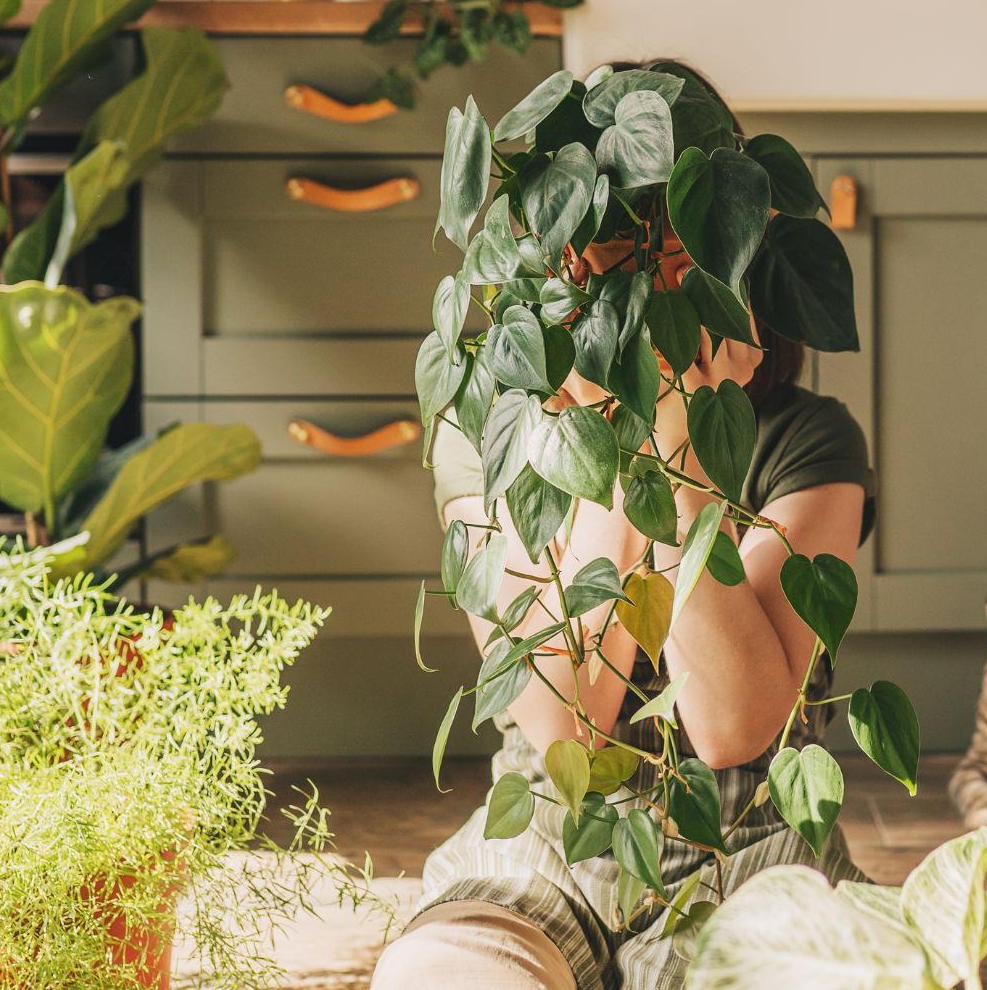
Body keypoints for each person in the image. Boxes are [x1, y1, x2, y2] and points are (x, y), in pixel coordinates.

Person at [371, 68, 876, 990]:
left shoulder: (807, 439)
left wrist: (679, 467)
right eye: (618, 255)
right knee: (446, 973)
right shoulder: (491, 431)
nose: (649, 293)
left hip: (750, 848)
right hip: (546, 838)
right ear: (559, 263)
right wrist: (612, 446)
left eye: (682, 257)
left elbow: (733, 730)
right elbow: (569, 721)